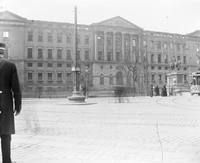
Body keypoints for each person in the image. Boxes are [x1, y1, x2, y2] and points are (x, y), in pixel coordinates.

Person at [0, 43, 22, 163]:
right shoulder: (10, 65)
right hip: (5, 107)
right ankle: (6, 161)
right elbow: (16, 88)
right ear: (3, 52)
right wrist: (18, 106)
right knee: (5, 135)